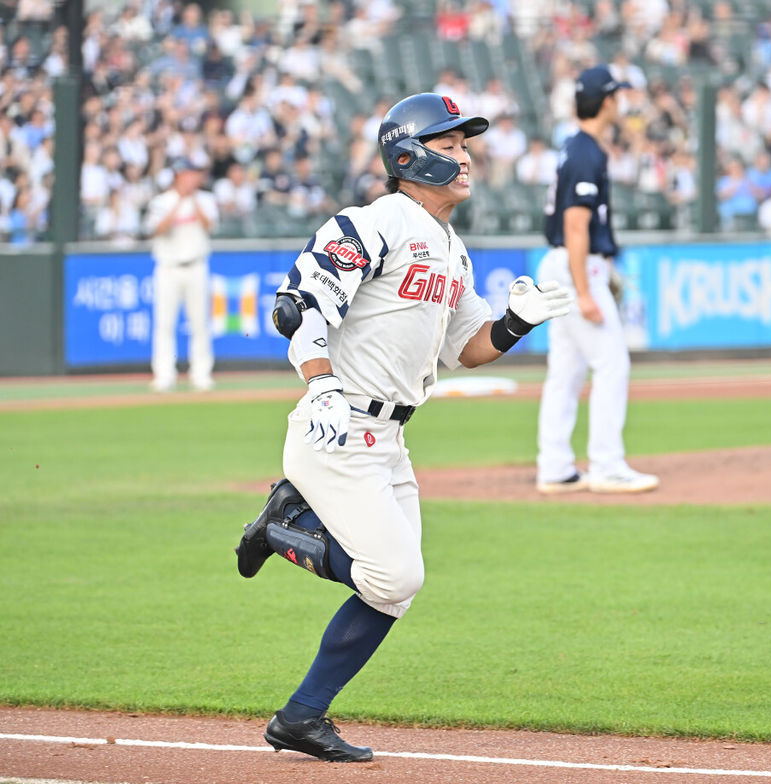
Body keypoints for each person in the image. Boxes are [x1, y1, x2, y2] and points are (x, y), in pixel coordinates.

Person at [234, 93, 570, 763]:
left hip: (389, 436)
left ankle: (300, 718)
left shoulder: (452, 247)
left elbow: (466, 348)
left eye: (465, 145)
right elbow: (298, 306)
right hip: (339, 425)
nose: (465, 156)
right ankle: (281, 526)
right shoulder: (375, 222)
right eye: (449, 145)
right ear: (409, 156)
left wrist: (515, 324)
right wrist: (319, 382)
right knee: (392, 576)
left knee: (395, 592)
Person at [535, 65, 659, 495]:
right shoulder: (586, 152)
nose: (620, 102)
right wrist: (585, 290)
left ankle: (555, 466)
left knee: (566, 371)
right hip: (575, 266)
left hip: (564, 264)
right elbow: (575, 224)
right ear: (607, 101)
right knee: (611, 363)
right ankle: (607, 465)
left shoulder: (575, 147)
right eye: (617, 95)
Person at [145, 160, 218, 392]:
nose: (192, 178)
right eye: (187, 174)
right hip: (168, 267)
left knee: (200, 324)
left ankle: (201, 374)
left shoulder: (205, 199)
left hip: (196, 266)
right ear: (177, 176)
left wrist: (192, 200)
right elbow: (158, 229)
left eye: (194, 174)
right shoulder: (162, 201)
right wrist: (179, 201)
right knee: (164, 324)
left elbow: (209, 226)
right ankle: (164, 375)